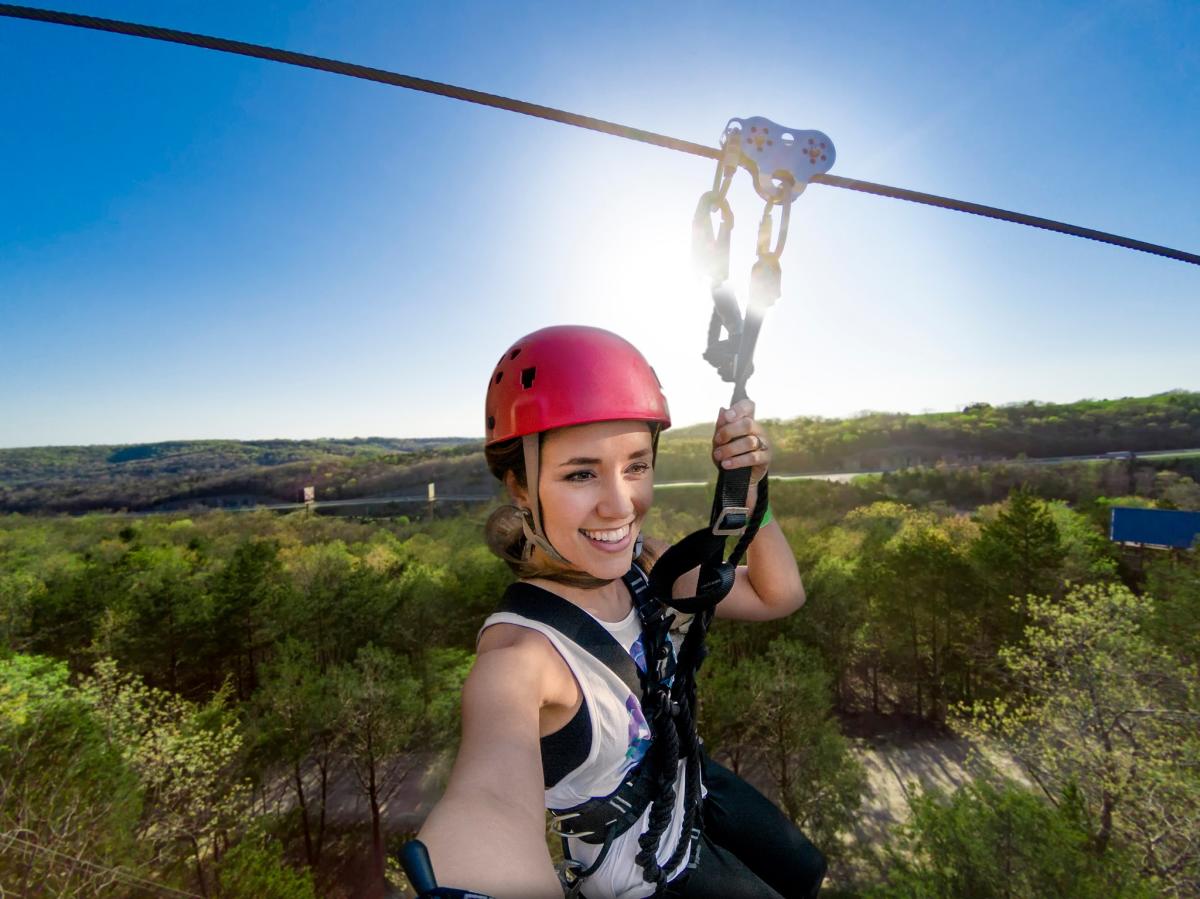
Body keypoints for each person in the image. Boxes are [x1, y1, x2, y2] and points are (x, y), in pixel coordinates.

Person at [417, 325, 826, 899]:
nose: (621, 502)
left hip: (692, 790)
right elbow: (488, 803)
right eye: (580, 473)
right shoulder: (521, 658)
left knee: (805, 871)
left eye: (635, 465)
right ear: (518, 484)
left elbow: (777, 595)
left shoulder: (645, 567)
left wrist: (751, 495)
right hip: (649, 879)